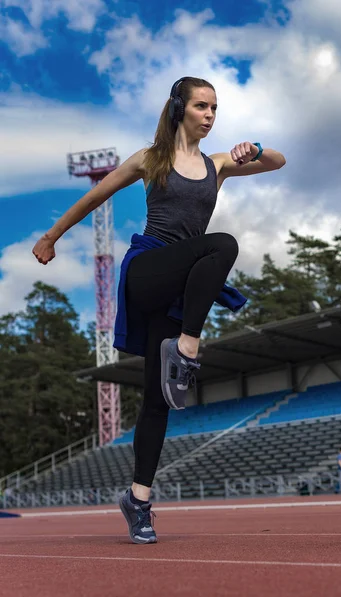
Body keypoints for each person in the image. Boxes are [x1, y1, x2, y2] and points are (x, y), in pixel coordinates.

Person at [32, 76, 286, 544]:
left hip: (179, 294)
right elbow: (94, 197)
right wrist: (51, 237)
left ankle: (139, 500)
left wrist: (256, 148)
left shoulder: (218, 164)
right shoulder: (151, 159)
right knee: (223, 244)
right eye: (202, 107)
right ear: (179, 109)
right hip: (150, 270)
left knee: (156, 400)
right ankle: (188, 346)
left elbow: (278, 162)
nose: (210, 115)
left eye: (215, 108)